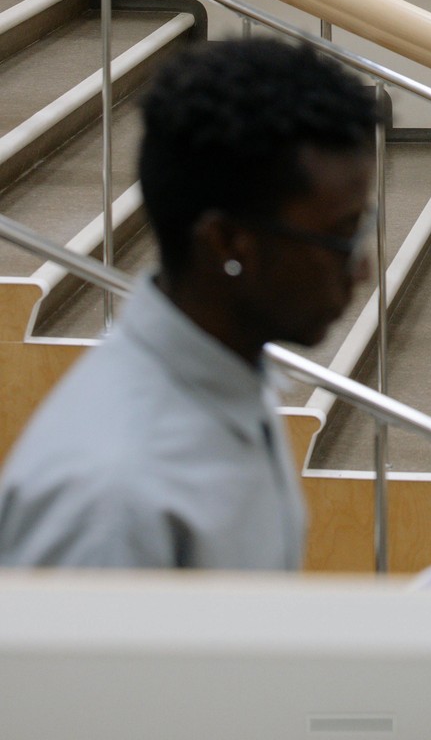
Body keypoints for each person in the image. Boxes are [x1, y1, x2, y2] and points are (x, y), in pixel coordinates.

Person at [0, 35, 378, 570]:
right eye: (339, 237)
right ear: (226, 243)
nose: (360, 268)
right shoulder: (112, 501)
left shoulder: (228, 371)